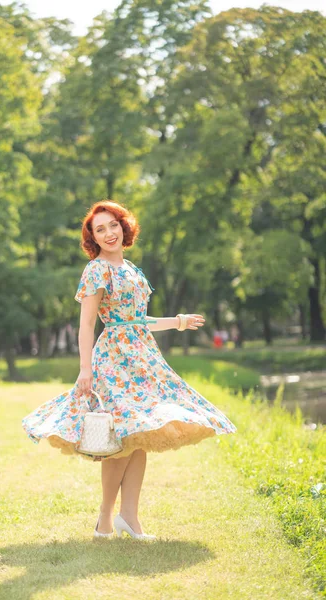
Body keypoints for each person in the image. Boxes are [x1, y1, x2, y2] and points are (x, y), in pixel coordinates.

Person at [22, 200, 237, 540]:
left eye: (113, 225)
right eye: (100, 229)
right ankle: (105, 519)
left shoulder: (133, 270)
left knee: (139, 437)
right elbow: (87, 324)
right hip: (114, 359)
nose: (109, 233)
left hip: (143, 358)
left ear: (124, 226)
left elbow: (140, 320)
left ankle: (128, 518)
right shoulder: (96, 270)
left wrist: (178, 322)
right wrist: (85, 368)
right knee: (118, 438)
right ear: (93, 238)